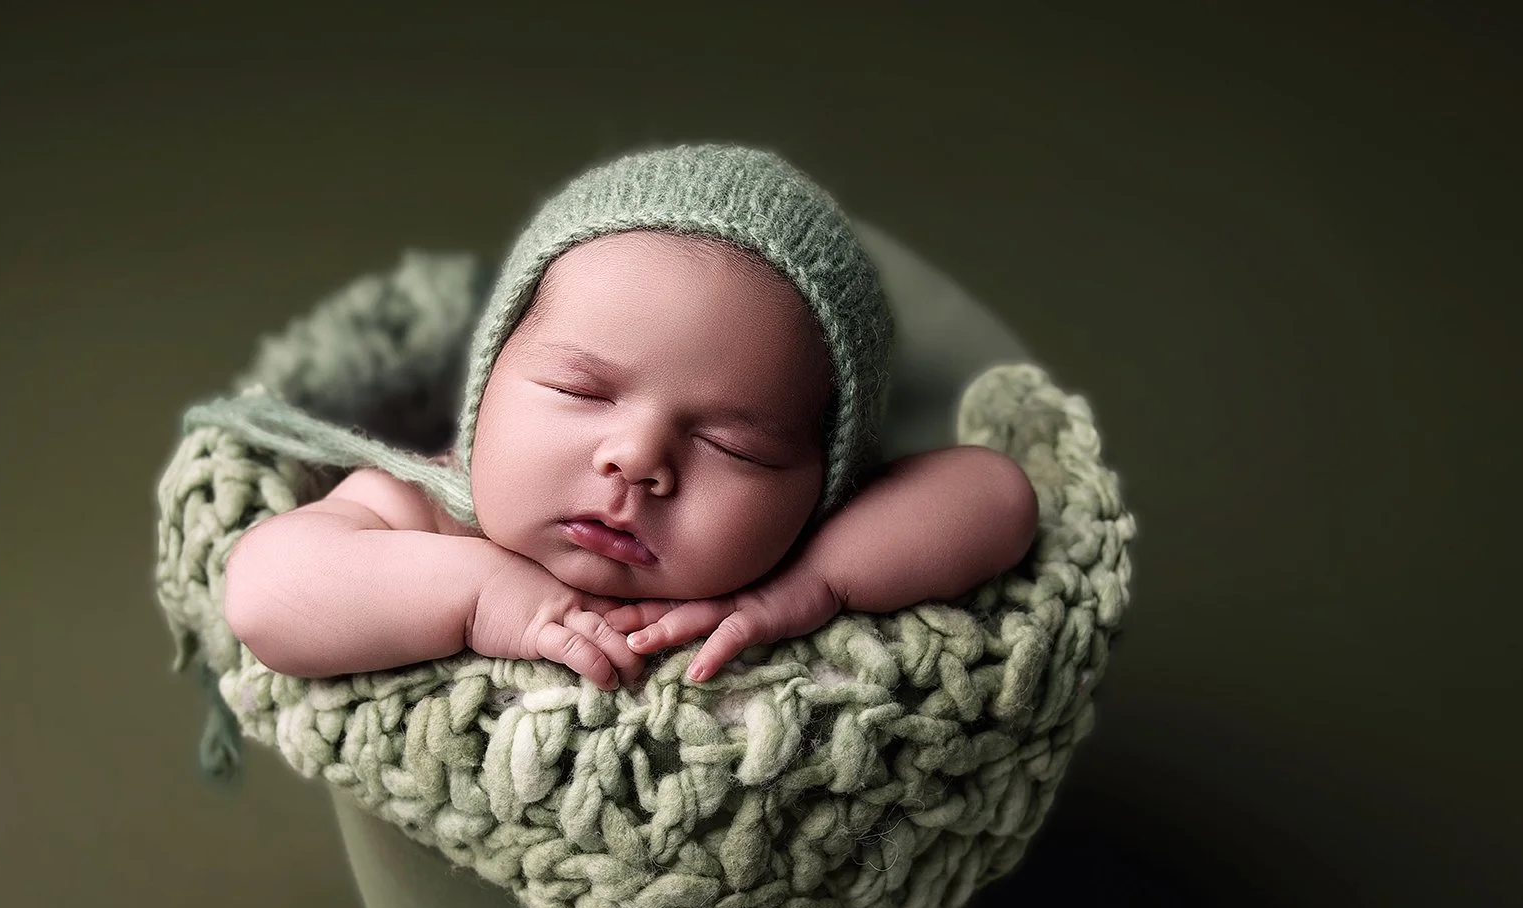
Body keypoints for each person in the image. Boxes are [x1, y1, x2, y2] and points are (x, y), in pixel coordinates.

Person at [221, 144, 1039, 690]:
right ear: (487, 386)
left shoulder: (793, 552)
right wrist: (486, 597)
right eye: (581, 391)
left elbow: (999, 498)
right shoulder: (433, 507)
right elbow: (266, 594)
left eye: (735, 446)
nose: (638, 457)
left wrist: (812, 584)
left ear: (823, 482)